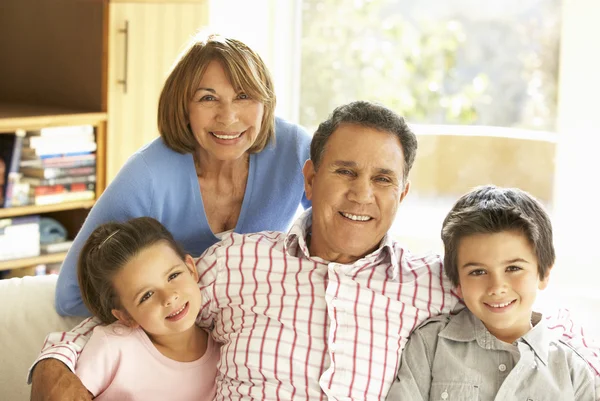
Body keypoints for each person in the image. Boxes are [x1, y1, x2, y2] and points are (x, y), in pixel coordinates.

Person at [29, 101, 600, 401]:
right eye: (344, 172)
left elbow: (534, 313)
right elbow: (145, 303)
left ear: (402, 194)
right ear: (309, 178)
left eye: (382, 180)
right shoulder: (236, 261)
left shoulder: (432, 283)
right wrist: (56, 365)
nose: (361, 194)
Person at [55, 31, 312, 317]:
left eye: (244, 96)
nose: (228, 117)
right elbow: (71, 294)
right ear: (183, 107)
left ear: (265, 102)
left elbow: (347, 231)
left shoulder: (295, 149)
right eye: (208, 98)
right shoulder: (147, 175)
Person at [386, 185, 596, 400]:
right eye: (478, 271)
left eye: (513, 268)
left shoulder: (573, 372)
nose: (497, 287)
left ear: (543, 274)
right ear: (457, 282)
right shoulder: (429, 344)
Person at [75, 217, 219, 400]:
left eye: (173, 275)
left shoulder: (228, 353)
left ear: (191, 269)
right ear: (126, 316)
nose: (168, 297)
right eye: (147, 295)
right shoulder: (112, 348)